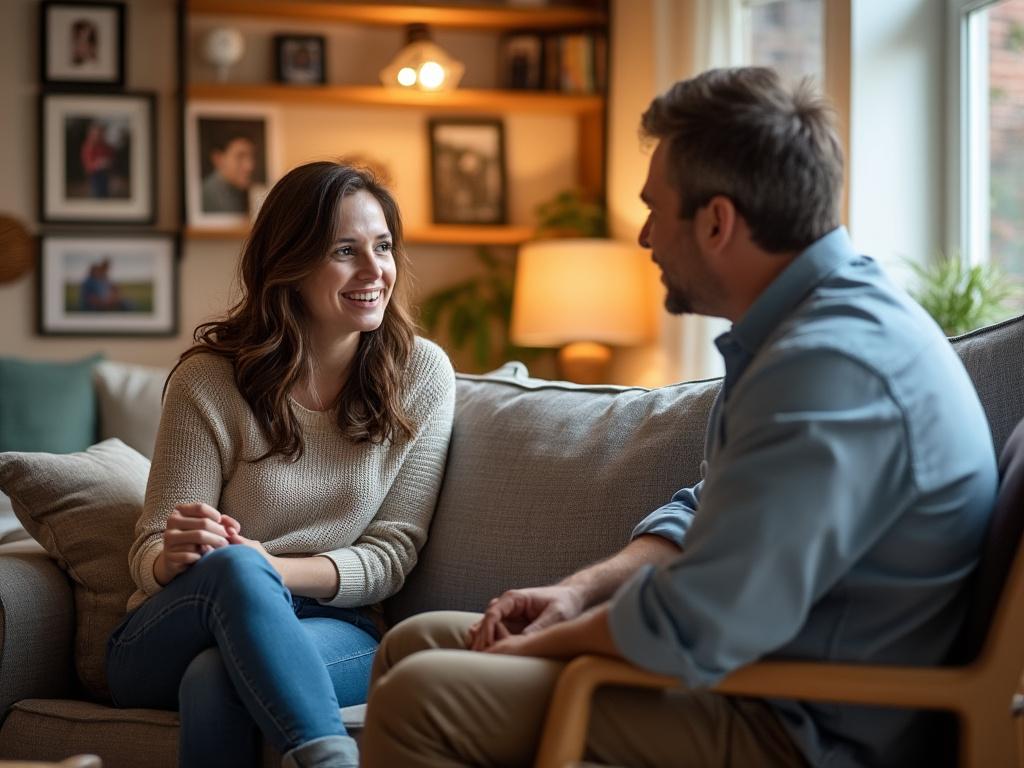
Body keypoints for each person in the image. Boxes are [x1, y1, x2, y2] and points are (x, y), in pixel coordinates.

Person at [360, 67, 999, 768]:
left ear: (718, 221)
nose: (644, 237)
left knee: (426, 693)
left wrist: (547, 641)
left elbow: (702, 619)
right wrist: (574, 594)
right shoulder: (806, 329)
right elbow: (708, 512)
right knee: (413, 644)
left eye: (654, 209)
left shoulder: (829, 367)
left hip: (805, 727)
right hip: (756, 676)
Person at [105, 161, 456, 768]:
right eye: (345, 251)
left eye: (383, 247)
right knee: (236, 571)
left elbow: (392, 555)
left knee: (218, 678)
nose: (375, 272)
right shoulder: (209, 381)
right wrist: (173, 554)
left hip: (334, 629)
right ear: (290, 264)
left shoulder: (421, 375)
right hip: (170, 631)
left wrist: (269, 567)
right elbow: (148, 550)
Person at [201, 132, 257, 213]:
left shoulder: (239, 191)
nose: (250, 166)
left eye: (252, 156)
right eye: (240, 156)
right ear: (218, 159)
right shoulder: (208, 194)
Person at [80, 122, 114, 199]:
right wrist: (98, 164)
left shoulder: (104, 146)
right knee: (96, 195)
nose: (99, 135)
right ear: (92, 134)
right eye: (97, 133)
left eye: (101, 133)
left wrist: (107, 163)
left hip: (105, 175)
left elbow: (111, 158)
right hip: (94, 176)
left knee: (105, 195)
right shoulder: (89, 146)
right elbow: (88, 165)